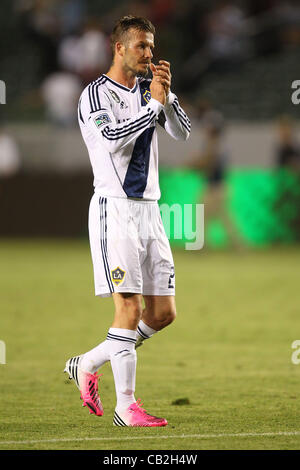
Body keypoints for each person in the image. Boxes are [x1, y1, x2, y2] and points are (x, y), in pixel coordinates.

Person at [64, 15, 191, 427]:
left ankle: (87, 362)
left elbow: (182, 134)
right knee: (129, 309)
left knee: (163, 313)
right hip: (114, 209)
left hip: (150, 210)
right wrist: (153, 104)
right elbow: (114, 139)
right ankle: (127, 407)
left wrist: (166, 98)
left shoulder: (147, 90)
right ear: (119, 48)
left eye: (151, 47)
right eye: (142, 47)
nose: (149, 54)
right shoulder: (93, 95)